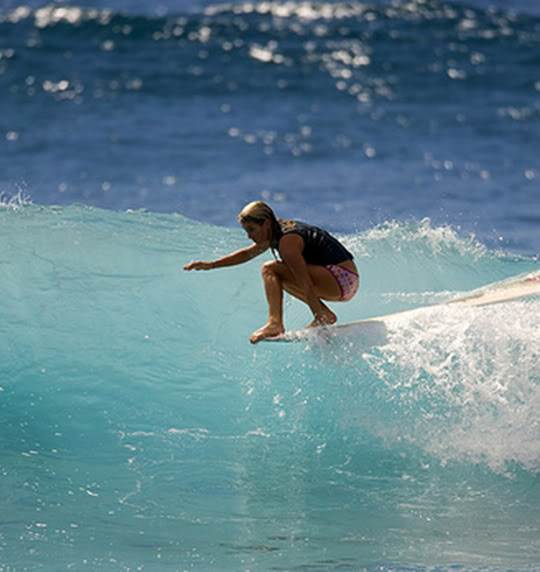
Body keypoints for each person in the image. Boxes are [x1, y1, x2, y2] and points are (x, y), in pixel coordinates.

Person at [183, 201, 359, 343]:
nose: (249, 236)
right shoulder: (275, 232)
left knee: (270, 269)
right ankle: (324, 314)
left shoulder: (287, 242)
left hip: (341, 278)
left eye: (251, 229)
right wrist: (211, 265)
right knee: (278, 277)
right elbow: (247, 254)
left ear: (266, 223)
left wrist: (318, 318)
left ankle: (276, 323)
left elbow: (305, 282)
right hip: (344, 281)